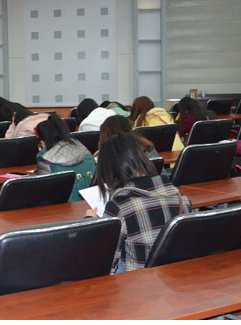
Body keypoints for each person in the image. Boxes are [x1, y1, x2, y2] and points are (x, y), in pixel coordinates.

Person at [87, 133, 191, 273]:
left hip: (139, 281)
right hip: (173, 276)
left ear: (108, 169)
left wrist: (91, 222)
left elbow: (105, 262)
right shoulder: (182, 198)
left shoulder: (119, 205)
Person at [34, 114, 96, 202]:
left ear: (43, 142)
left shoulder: (44, 158)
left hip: (63, 205)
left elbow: (45, 191)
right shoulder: (84, 150)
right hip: (90, 201)